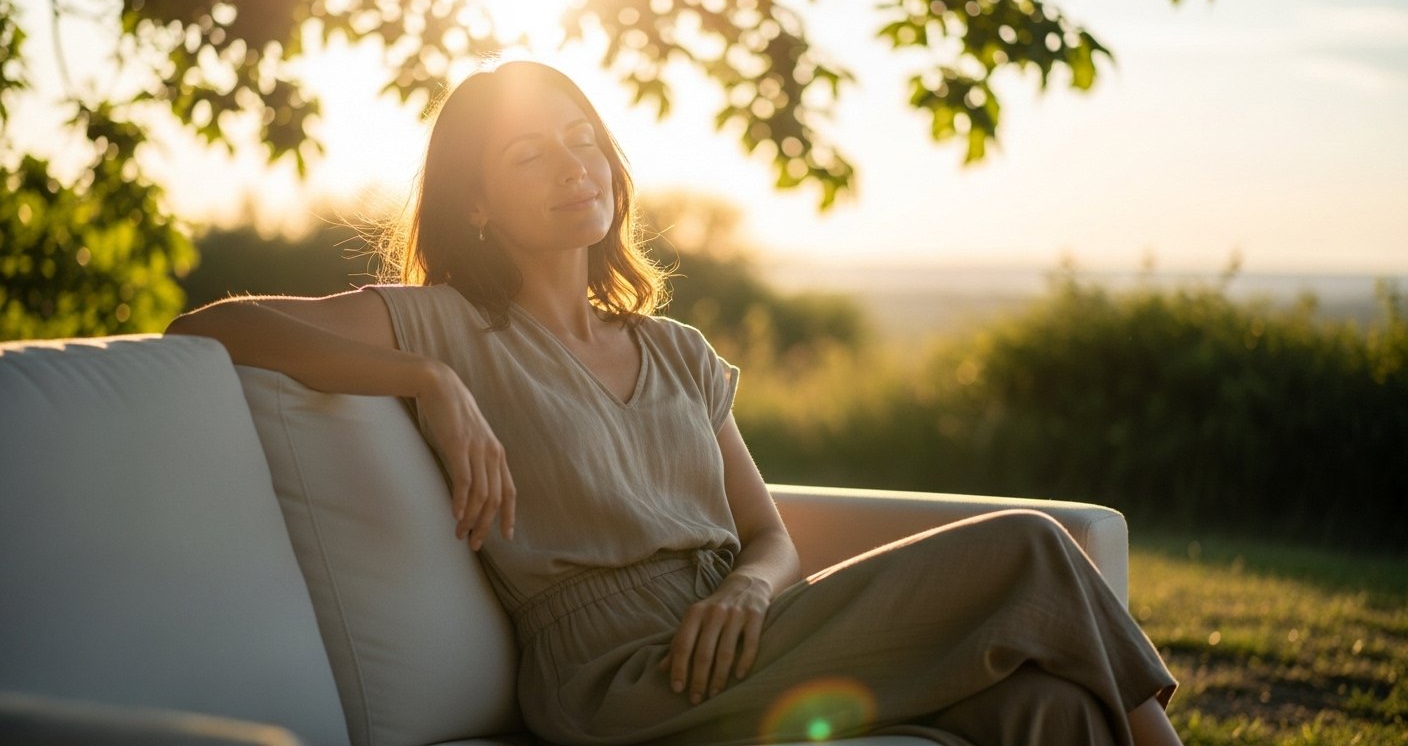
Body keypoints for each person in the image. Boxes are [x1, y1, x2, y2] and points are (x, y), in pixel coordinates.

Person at [167, 59, 1180, 746]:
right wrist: (426, 382)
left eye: (583, 140)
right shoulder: (441, 324)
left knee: (1049, 707)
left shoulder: (680, 352)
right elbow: (215, 325)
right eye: (530, 156)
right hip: (618, 676)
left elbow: (767, 536)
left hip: (735, 631)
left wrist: (746, 588)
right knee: (1035, 546)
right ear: (475, 204)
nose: (574, 167)